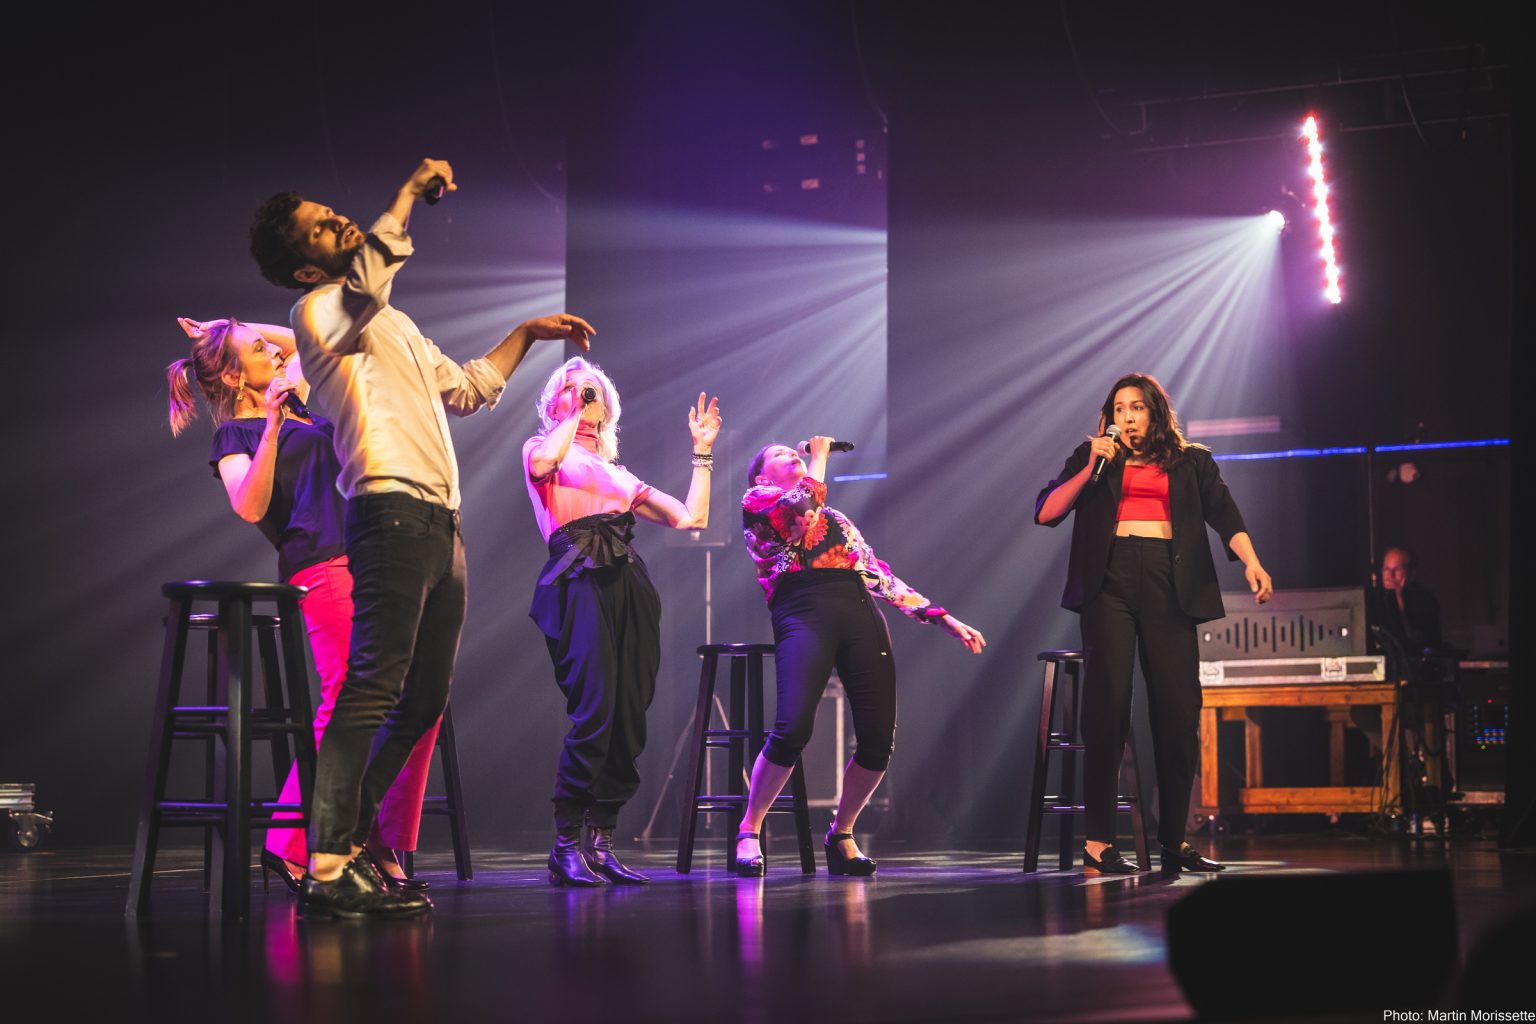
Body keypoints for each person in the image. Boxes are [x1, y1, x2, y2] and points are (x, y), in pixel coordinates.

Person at [249, 157, 594, 917]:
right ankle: (328, 864)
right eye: (320, 227)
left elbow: (467, 388)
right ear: (305, 265)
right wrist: (406, 195)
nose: (338, 219)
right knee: (373, 686)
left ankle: (343, 842)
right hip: (389, 510)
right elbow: (366, 287)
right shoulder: (319, 312)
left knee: (425, 696)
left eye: (331, 210)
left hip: (441, 521)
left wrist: (525, 334)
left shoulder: (395, 324)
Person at [165, 315, 439, 899]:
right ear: (235, 377)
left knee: (421, 697)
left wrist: (230, 325)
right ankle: (291, 843)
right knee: (347, 702)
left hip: (374, 556)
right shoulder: (236, 436)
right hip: (323, 564)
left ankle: (373, 833)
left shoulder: (305, 410)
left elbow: (306, 337)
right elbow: (248, 505)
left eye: (268, 344)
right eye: (256, 349)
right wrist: (268, 426)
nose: (272, 350)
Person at [1035, 373, 1272, 875]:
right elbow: (1046, 512)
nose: (1127, 417)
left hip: (1171, 584)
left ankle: (1174, 841)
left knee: (1179, 710)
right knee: (1109, 706)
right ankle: (1099, 843)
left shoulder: (1191, 461)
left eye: (1137, 407)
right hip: (1110, 585)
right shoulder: (1094, 458)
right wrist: (1092, 465)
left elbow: (1226, 516)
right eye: (1119, 408)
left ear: (1155, 413)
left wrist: (1252, 562)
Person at [735, 437, 986, 877]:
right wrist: (819, 457)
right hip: (802, 609)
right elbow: (798, 514)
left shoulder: (835, 518)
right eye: (779, 454)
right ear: (760, 476)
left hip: (856, 608)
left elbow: (876, 573)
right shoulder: (757, 503)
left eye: (795, 452)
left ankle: (842, 833)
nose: (792, 454)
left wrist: (937, 615)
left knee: (877, 737)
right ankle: (749, 830)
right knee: (792, 727)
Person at [523, 358, 720, 886]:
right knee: (595, 710)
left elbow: (692, 518)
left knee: (629, 714)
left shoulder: (620, 474)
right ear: (554, 403)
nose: (583, 396)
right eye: (571, 389)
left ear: (607, 407)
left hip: (628, 581)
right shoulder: (543, 448)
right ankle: (566, 844)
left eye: (592, 391)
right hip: (577, 578)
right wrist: (574, 412)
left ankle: (602, 840)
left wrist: (702, 451)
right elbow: (544, 464)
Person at [1370, 546, 1443, 656]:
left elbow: (1414, 640)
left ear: (1411, 573)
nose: (1390, 576)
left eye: (1397, 570)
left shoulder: (1425, 600)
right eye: (1386, 570)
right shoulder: (1377, 598)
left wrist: (1398, 599)